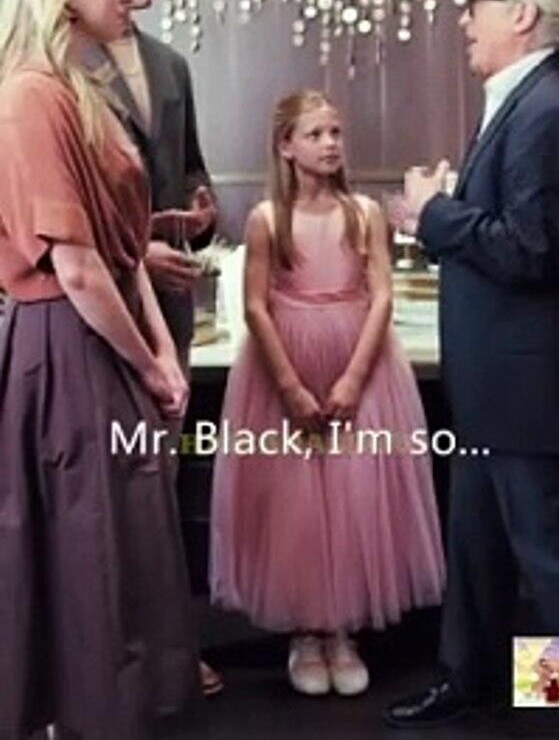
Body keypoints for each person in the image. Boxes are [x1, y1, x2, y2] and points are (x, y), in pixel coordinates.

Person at [383, 0, 559, 740]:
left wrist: (433, 214)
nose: (463, 20)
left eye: (475, 3)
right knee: (478, 553)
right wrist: (444, 212)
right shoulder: (522, 101)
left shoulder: (551, 112)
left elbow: (534, 250)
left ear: (520, 15)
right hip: (494, 391)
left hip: (533, 397)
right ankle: (467, 681)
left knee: (552, 563)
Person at [0, 0, 200, 739]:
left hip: (104, 338)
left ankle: (116, 712)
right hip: (68, 344)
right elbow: (77, 266)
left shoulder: (76, 90)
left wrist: (160, 353)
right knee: (91, 551)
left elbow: (122, 250)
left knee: (123, 546)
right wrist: (151, 363)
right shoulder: (28, 96)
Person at [210, 89, 445, 697]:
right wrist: (289, 385)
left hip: (358, 360)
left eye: (336, 132)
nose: (331, 143)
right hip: (285, 364)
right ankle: (305, 632)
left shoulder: (363, 212)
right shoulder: (268, 219)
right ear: (286, 146)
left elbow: (382, 295)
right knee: (295, 502)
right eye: (315, 134)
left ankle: (342, 630)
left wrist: (353, 377)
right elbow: (256, 305)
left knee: (355, 491)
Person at [73, 0, 222, 697]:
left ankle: (164, 655)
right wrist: (136, 252)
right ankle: (105, 663)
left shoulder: (170, 64)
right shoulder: (50, 63)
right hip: (90, 316)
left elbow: (188, 166)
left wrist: (199, 211)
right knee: (97, 499)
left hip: (167, 311)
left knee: (158, 486)